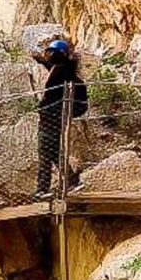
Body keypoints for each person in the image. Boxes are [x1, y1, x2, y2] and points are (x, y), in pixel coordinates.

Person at [35, 39, 87, 197]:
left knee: (45, 150)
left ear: (58, 54)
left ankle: (43, 188)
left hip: (52, 115)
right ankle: (71, 179)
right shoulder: (63, 69)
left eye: (51, 52)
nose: (48, 54)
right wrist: (41, 60)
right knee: (51, 150)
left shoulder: (61, 70)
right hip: (53, 115)